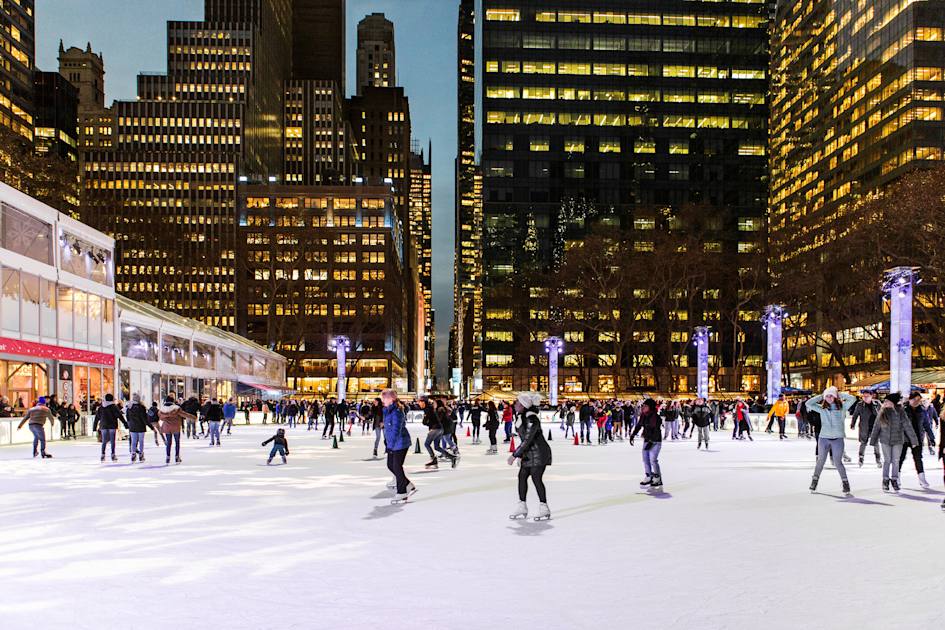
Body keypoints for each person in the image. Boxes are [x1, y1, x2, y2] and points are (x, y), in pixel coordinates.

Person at [508, 392, 552, 521]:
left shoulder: (531, 418)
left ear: (523, 405)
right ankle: (522, 505)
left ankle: (544, 507)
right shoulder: (521, 417)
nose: (514, 404)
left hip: (539, 453)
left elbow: (528, 439)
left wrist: (515, 455)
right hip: (529, 453)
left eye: (517, 402)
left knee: (536, 478)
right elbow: (524, 440)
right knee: (522, 476)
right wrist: (521, 455)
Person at [807, 386, 855, 494]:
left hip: (838, 438)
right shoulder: (822, 408)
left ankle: (845, 483)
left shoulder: (842, 407)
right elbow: (808, 403)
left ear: (835, 397)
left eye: (831, 396)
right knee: (820, 461)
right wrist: (822, 395)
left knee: (838, 462)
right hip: (824, 438)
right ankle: (815, 480)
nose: (829, 398)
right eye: (827, 396)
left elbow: (853, 399)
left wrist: (838, 394)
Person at [869, 393, 917, 492]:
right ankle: (885, 480)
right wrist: (873, 440)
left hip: (898, 440)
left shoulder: (900, 412)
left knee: (895, 460)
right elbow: (876, 426)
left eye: (887, 401)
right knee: (887, 460)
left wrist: (913, 440)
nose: (885, 403)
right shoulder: (882, 412)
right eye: (885, 401)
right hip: (885, 440)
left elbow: (907, 426)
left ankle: (894, 479)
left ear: (893, 403)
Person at [382, 389, 415, 503]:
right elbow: (388, 429)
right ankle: (407, 484)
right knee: (390, 465)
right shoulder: (387, 410)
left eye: (384, 398)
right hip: (393, 443)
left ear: (391, 399)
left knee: (396, 466)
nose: (383, 400)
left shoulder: (397, 411)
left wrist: (390, 445)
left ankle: (402, 492)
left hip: (401, 443)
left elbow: (396, 430)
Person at [629, 398, 663, 490]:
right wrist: (632, 435)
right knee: (645, 459)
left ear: (650, 407)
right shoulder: (644, 415)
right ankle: (649, 476)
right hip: (647, 439)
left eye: (645, 406)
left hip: (655, 441)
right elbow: (639, 425)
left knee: (653, 460)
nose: (643, 407)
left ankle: (657, 478)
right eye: (643, 406)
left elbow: (656, 431)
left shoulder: (655, 416)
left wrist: (651, 442)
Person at [900, 391, 931, 489]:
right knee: (900, 458)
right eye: (915, 399)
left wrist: (932, 437)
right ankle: (896, 478)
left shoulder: (922, 410)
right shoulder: (903, 410)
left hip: (917, 439)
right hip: (904, 439)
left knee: (918, 459)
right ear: (910, 399)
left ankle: (922, 479)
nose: (917, 401)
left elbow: (926, 425)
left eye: (919, 400)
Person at [158, 395, 195, 465]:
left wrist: (166, 418)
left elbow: (161, 418)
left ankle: (168, 457)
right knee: (177, 442)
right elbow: (184, 414)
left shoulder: (162, 410)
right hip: (176, 427)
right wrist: (193, 417)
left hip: (167, 428)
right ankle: (177, 457)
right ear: (173, 401)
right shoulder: (176, 408)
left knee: (169, 443)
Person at [93, 393, 127, 463]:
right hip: (112, 425)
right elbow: (119, 416)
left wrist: (94, 427)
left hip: (103, 426)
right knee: (112, 441)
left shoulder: (101, 407)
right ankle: (113, 454)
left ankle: (103, 454)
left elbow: (97, 418)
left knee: (104, 441)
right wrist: (125, 424)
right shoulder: (114, 407)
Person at [850, 391, 881, 468]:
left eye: (867, 396)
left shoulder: (877, 404)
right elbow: (855, 414)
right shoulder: (860, 405)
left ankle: (878, 459)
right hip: (864, 427)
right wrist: (852, 424)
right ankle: (861, 458)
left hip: (875, 427)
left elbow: (883, 413)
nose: (865, 398)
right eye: (864, 396)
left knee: (876, 443)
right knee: (863, 443)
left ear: (871, 396)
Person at [126, 394, 156, 463]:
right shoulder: (142, 407)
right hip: (141, 427)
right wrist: (151, 427)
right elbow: (144, 419)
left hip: (133, 427)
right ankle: (141, 455)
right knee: (141, 441)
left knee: (133, 441)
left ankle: (133, 455)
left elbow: (127, 417)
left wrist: (129, 425)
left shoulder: (129, 407)